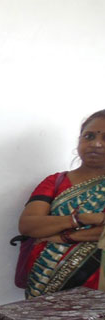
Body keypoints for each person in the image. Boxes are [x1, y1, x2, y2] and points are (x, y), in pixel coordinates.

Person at [18, 110, 105, 297]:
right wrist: (80, 219)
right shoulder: (55, 181)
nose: (96, 144)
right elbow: (28, 225)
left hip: (97, 284)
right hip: (43, 278)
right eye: (89, 136)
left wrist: (64, 237)